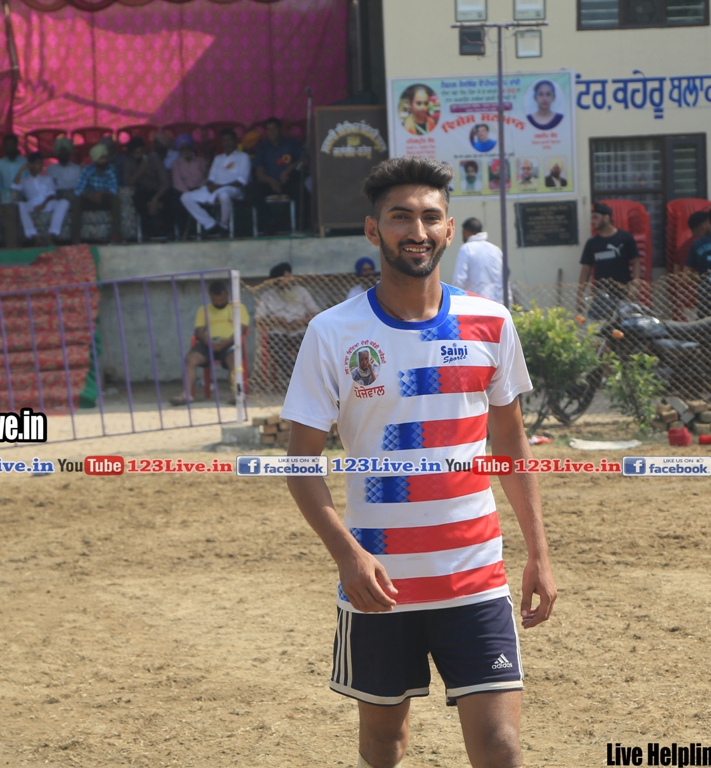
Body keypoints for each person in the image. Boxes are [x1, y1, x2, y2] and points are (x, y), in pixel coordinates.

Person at [281, 155, 555, 768]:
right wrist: (348, 556)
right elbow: (300, 463)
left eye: (430, 217)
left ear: (449, 229)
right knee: (385, 744)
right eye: (400, 216)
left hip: (475, 577)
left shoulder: (491, 322)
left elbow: (511, 446)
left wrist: (538, 553)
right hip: (379, 585)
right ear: (373, 230)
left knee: (501, 747)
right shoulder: (333, 332)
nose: (417, 230)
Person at [171, 279, 250, 406]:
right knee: (190, 359)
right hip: (208, 344)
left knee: (234, 359)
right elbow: (199, 330)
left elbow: (243, 328)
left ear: (227, 294)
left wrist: (228, 341)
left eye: (221, 299)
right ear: (210, 296)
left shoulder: (238, 308)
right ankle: (186, 394)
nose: (218, 302)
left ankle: (236, 393)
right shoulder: (204, 310)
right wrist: (208, 341)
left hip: (230, 343)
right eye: (215, 300)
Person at [255, 262, 319, 384]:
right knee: (276, 348)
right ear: (275, 281)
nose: (287, 281)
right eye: (283, 279)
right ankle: (299, 377)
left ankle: (307, 378)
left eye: (289, 277)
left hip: (300, 330)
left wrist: (302, 322)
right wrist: (276, 321)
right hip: (277, 332)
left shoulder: (301, 292)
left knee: (308, 347)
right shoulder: (267, 296)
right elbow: (258, 320)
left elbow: (316, 313)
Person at [577, 202, 641, 319]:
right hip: (601, 294)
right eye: (592, 218)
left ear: (606, 218)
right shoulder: (592, 243)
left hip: (624, 292)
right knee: (595, 324)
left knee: (626, 326)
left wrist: (635, 286)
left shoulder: (625, 238)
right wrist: (580, 296)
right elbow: (585, 269)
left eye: (595, 217)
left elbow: (636, 261)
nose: (592, 221)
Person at [181, 129, 250, 238]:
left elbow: (242, 181)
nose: (227, 143)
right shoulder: (218, 158)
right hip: (215, 189)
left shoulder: (243, 157)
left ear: (235, 141)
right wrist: (209, 186)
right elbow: (211, 178)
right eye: (224, 141)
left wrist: (220, 186)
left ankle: (224, 226)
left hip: (233, 189)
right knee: (185, 197)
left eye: (229, 140)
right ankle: (210, 225)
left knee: (224, 195)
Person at [247, 118, 305, 236]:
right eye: (268, 130)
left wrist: (288, 170)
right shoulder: (262, 148)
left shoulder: (291, 143)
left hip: (288, 181)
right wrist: (271, 181)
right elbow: (259, 172)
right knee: (251, 189)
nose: (271, 132)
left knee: (301, 189)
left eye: (274, 129)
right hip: (270, 183)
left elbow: (304, 160)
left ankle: (301, 225)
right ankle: (270, 222)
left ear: (280, 130)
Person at [14, 152, 70, 245]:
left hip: (47, 204)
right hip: (32, 205)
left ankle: (52, 233)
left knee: (64, 202)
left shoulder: (47, 179)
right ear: (30, 165)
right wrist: (21, 171)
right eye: (37, 163)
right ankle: (33, 235)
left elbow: (51, 194)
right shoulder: (24, 180)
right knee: (20, 205)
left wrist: (43, 205)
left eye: (41, 163)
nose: (40, 166)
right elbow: (14, 187)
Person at [123, 137, 172, 240]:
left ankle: (169, 232)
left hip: (159, 190)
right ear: (131, 154)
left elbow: (165, 182)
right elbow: (127, 183)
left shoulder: (154, 159)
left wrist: (155, 199)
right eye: (136, 153)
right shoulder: (129, 162)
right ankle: (146, 233)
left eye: (141, 152)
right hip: (144, 190)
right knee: (139, 199)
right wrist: (140, 171)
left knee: (170, 197)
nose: (140, 155)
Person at [72, 144, 121, 244]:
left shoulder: (111, 169)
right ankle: (76, 237)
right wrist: (90, 196)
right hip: (90, 199)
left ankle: (116, 236)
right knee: (77, 200)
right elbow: (78, 190)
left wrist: (100, 194)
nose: (104, 161)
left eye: (105, 158)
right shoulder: (87, 170)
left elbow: (114, 189)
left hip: (104, 199)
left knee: (115, 199)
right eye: (101, 158)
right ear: (95, 159)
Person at [451, 217, 504, 304]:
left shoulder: (466, 248)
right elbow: (503, 279)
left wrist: (455, 301)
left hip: (475, 303)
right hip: (497, 302)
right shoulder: (495, 249)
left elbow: (459, 280)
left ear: (466, 232)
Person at [170, 134, 208, 238]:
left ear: (191, 148)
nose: (185, 150)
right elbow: (177, 181)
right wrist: (188, 193)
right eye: (182, 148)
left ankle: (206, 229)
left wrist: (199, 188)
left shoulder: (201, 161)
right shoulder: (176, 164)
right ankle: (183, 232)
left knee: (206, 199)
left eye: (187, 147)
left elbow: (205, 177)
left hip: (199, 189)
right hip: (183, 191)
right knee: (178, 202)